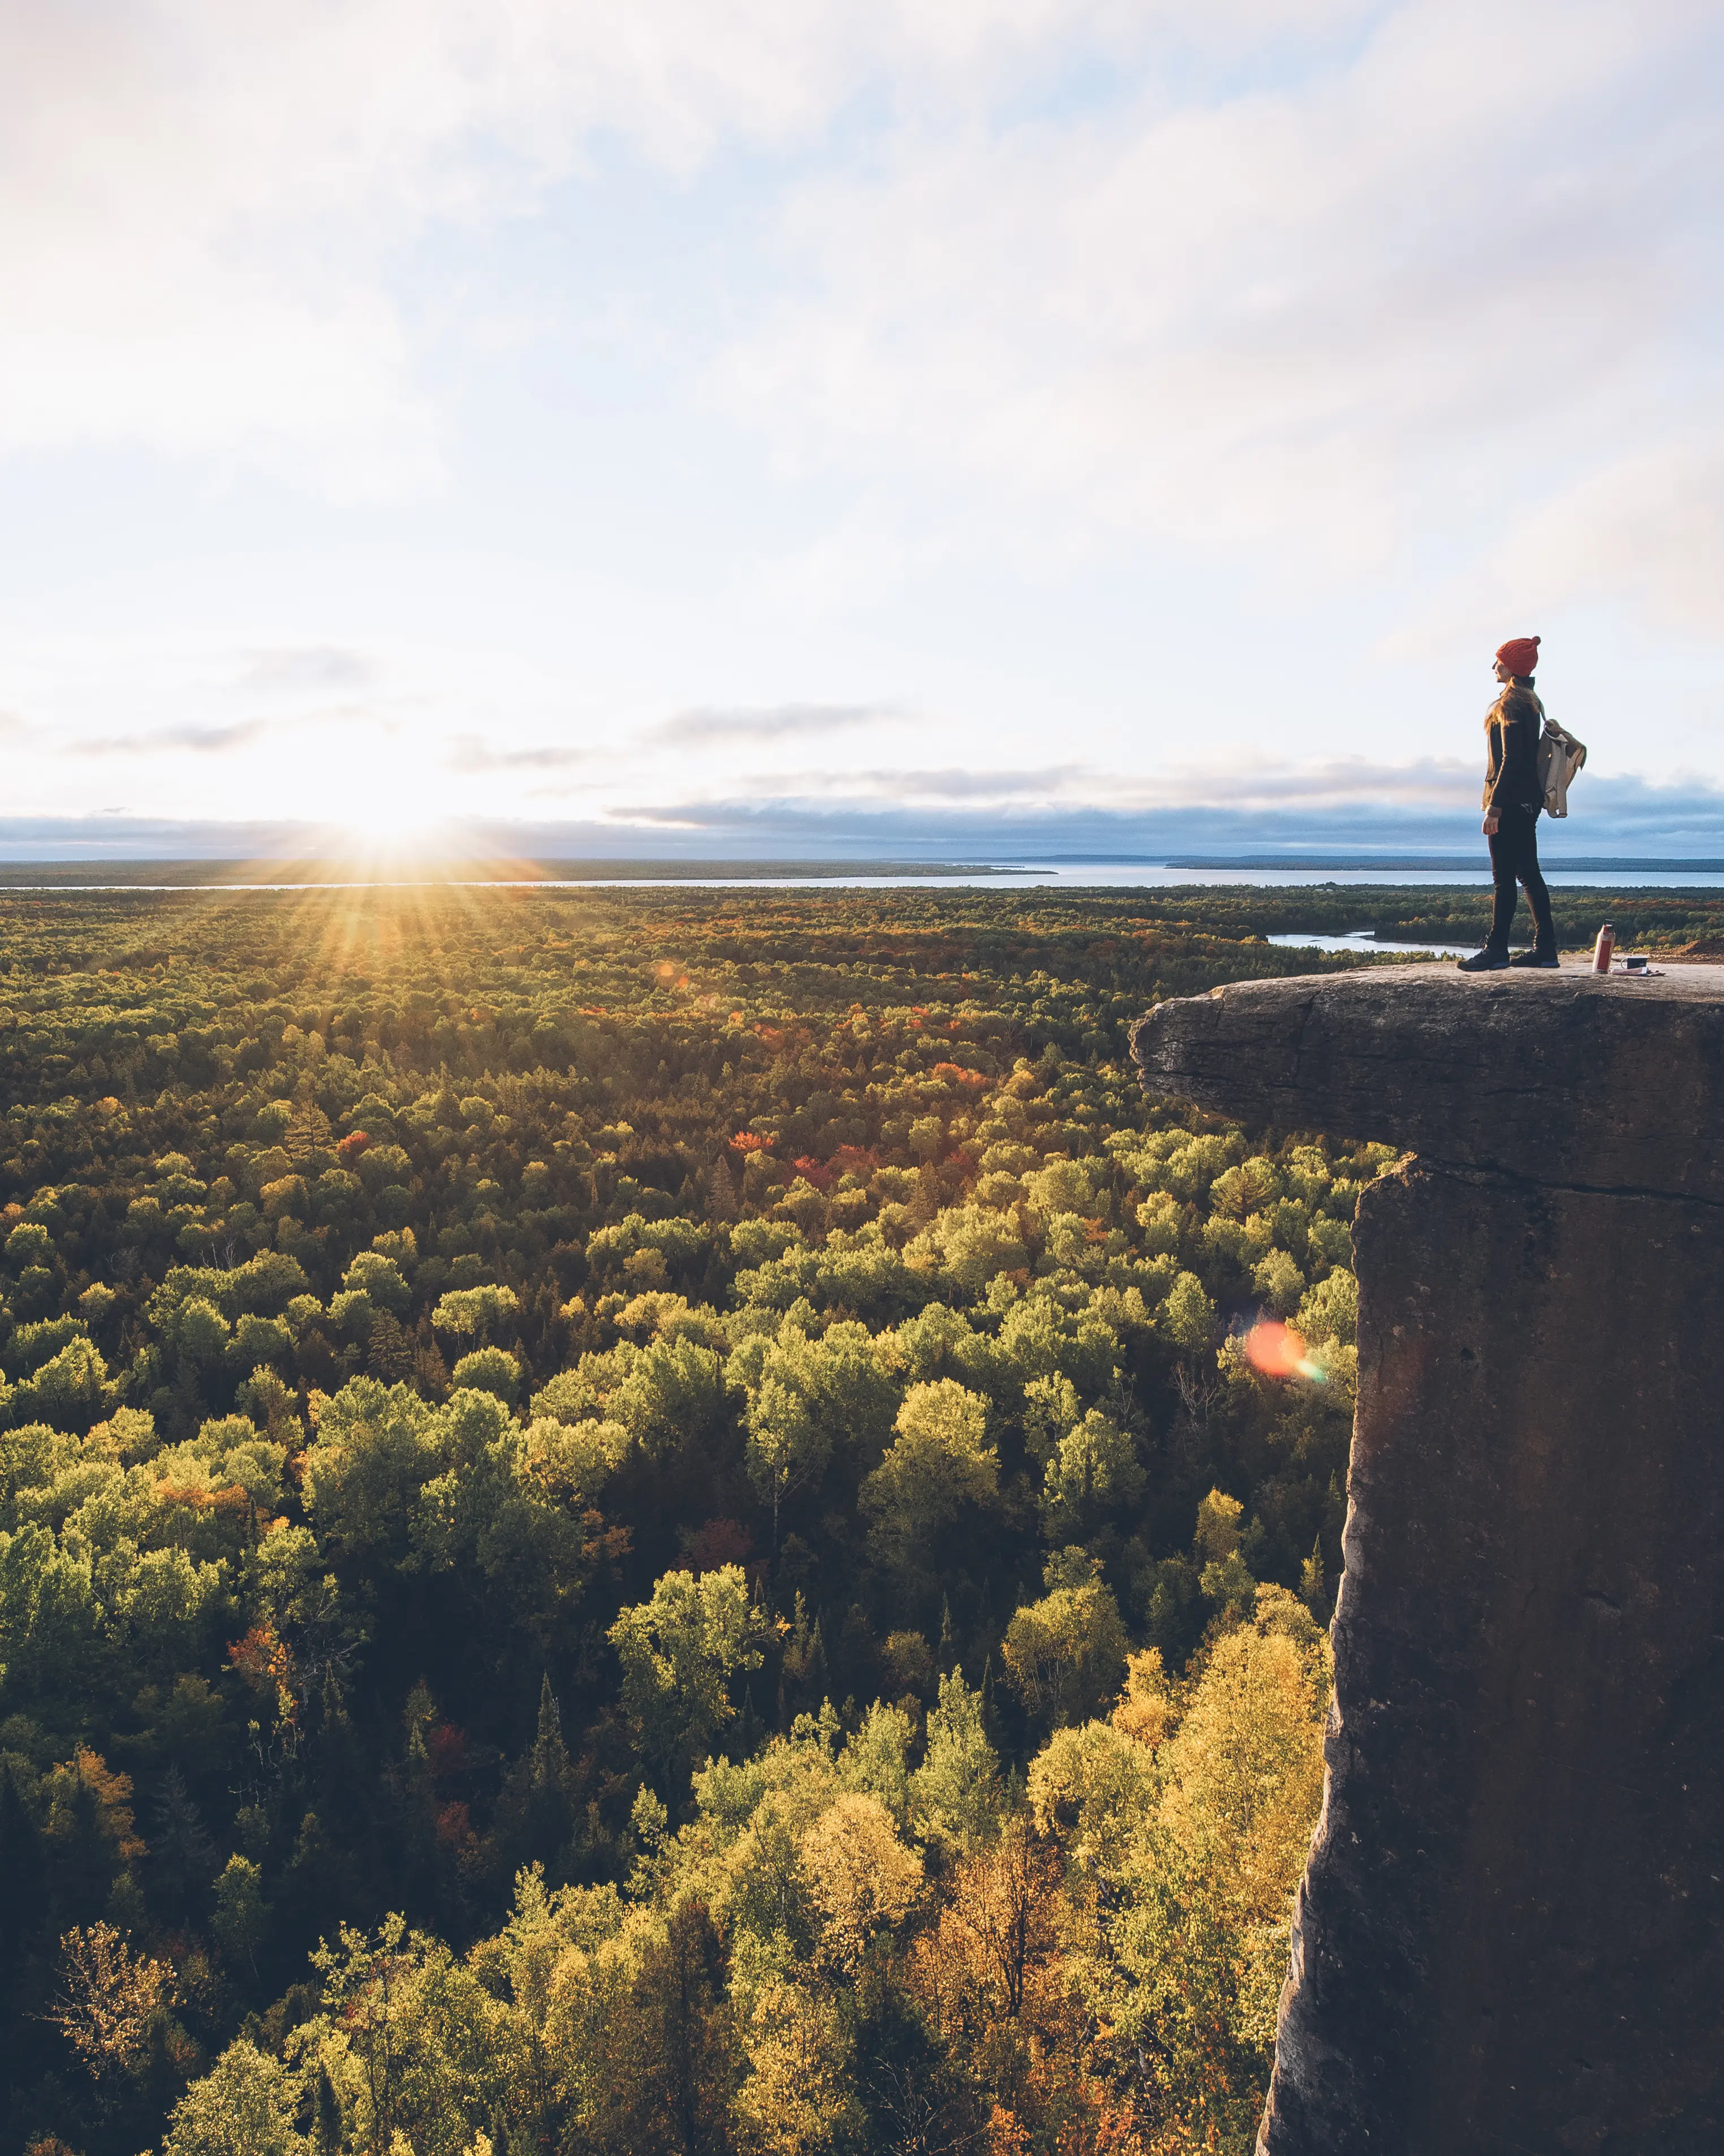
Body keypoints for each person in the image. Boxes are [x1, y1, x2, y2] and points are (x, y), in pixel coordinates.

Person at [1457, 634, 1558, 971]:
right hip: (1527, 802)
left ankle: (1497, 950)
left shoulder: (1511, 704)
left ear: (1512, 667)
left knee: (1504, 879)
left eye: (1499, 661)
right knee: (1529, 875)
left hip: (1510, 804)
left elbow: (1511, 761)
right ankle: (1546, 950)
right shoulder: (1530, 702)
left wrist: (1494, 808)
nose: (1494, 666)